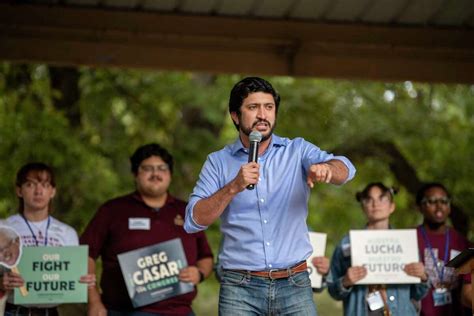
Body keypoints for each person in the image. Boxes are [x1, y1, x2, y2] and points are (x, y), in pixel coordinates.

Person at [184, 76, 356, 315]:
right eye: (253, 107)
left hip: (294, 283)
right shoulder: (218, 162)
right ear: (235, 116)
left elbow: (346, 169)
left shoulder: (297, 150)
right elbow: (193, 220)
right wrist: (233, 186)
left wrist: (327, 168)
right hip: (239, 288)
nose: (262, 115)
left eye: (269, 107)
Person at [81, 143, 214, 316]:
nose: (155, 174)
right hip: (124, 311)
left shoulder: (187, 211)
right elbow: (85, 254)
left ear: (170, 175)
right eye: (147, 168)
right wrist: (94, 300)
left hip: (181, 311)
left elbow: (206, 257)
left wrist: (199, 273)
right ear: (135, 174)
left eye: (162, 168)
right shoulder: (113, 210)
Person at [0, 162, 96, 316]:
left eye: (44, 185)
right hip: (13, 311)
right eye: (30, 184)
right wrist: (1, 283)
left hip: (51, 312)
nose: (38, 191)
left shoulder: (67, 233)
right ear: (19, 190)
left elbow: (72, 278)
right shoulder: (4, 229)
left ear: (52, 191)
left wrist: (84, 281)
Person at [327, 182, 429, 316]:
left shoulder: (405, 243)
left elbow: (419, 293)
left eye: (382, 198)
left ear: (392, 206)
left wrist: (422, 276)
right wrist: (346, 282)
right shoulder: (347, 244)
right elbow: (333, 291)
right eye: (369, 200)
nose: (376, 204)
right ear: (363, 207)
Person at [416, 182, 472, 316]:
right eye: (432, 201)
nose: (439, 206)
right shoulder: (409, 238)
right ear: (420, 207)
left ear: (449, 207)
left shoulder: (463, 243)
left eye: (444, 201)